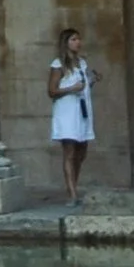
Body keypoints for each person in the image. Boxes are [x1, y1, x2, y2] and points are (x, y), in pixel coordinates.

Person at [46, 25, 96, 199]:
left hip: (82, 111)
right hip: (67, 112)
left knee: (82, 152)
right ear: (65, 43)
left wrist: (91, 82)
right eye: (73, 39)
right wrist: (71, 88)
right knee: (70, 152)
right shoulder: (58, 64)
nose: (78, 42)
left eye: (78, 39)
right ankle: (72, 193)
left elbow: (82, 86)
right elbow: (52, 91)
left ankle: (73, 184)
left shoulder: (82, 63)